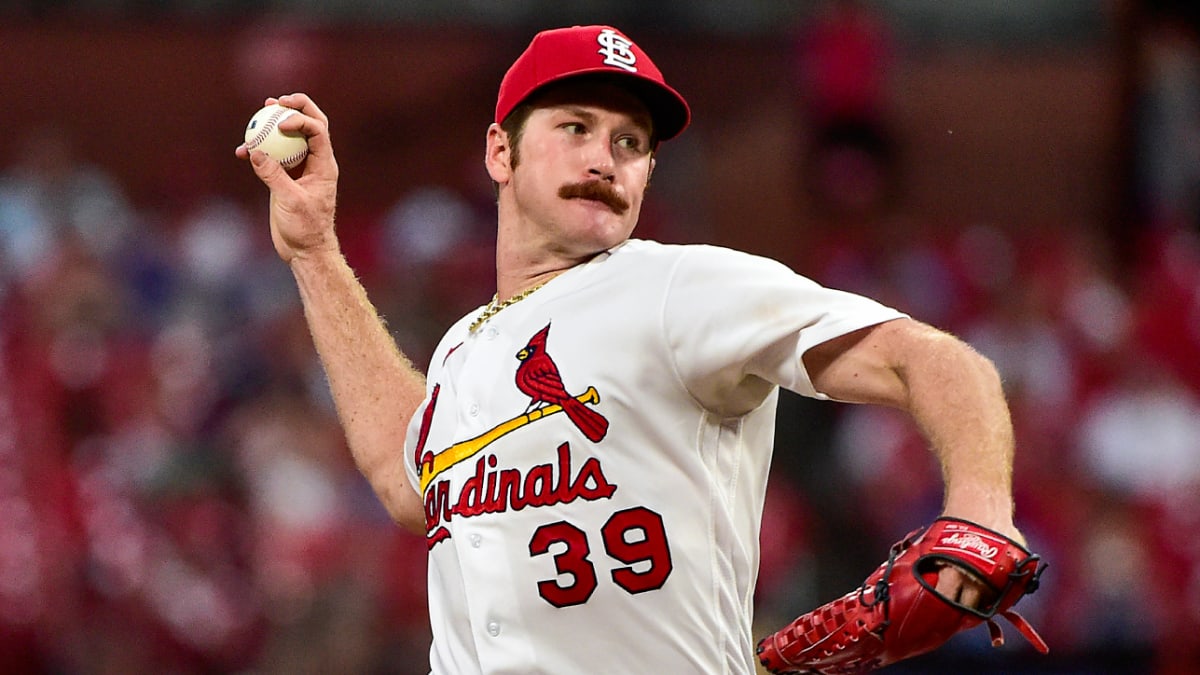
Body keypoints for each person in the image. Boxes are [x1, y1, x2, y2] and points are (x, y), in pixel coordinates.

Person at [237, 24, 1027, 674]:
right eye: (575, 127)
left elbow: (927, 357)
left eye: (630, 142)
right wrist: (314, 253)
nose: (603, 158)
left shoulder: (677, 285)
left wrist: (981, 508)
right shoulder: (463, 349)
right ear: (500, 153)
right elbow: (405, 480)